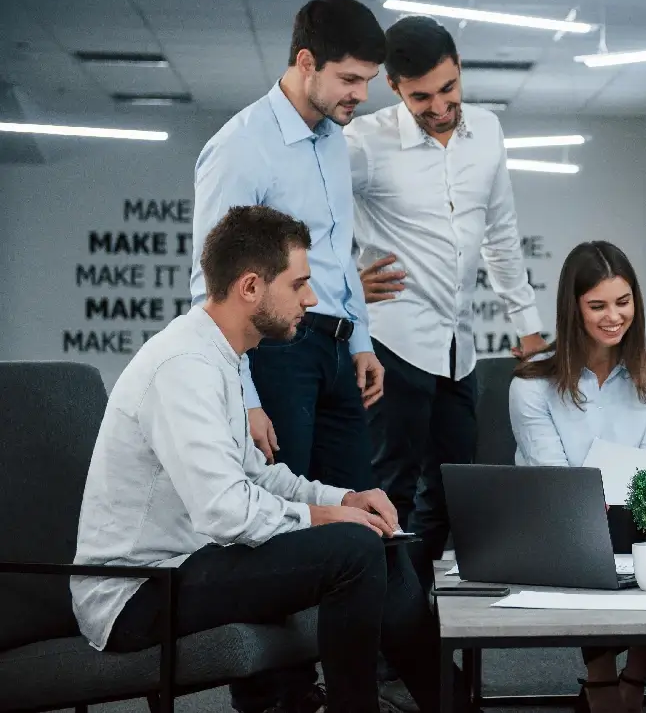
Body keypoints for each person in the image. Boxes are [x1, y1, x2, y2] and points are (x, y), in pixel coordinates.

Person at [71, 205, 456, 713]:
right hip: (137, 594)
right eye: (298, 284)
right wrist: (326, 517)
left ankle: (453, 704)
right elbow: (225, 511)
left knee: (379, 539)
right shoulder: (184, 366)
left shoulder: (222, 356)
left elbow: (256, 476)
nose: (311, 299)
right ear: (251, 286)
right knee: (353, 548)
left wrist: (344, 499)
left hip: (188, 565)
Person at [188, 0, 387, 712]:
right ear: (306, 62)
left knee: (358, 521)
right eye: (349, 79)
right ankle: (275, 698)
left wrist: (359, 340)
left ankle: (341, 690)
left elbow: (338, 252)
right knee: (273, 531)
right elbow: (211, 286)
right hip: (273, 354)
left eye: (368, 82)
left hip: (333, 351)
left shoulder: (334, 139)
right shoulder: (241, 146)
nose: (360, 96)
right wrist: (240, 396)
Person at [345, 15, 547, 567]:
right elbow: (308, 218)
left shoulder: (488, 131)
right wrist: (342, 286)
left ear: (459, 68)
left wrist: (528, 327)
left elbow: (500, 232)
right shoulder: (363, 143)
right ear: (393, 87)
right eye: (421, 97)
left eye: (448, 88)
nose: (438, 107)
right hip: (393, 342)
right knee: (391, 489)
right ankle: (385, 618)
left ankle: (419, 610)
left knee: (452, 490)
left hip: (458, 349)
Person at [509, 240, 646, 713]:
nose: (614, 317)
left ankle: (634, 678)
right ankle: (600, 679)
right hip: (559, 515)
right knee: (591, 520)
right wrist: (615, 497)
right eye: (597, 306)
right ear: (573, 309)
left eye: (623, 302)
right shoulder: (531, 385)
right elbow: (555, 480)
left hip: (628, 509)